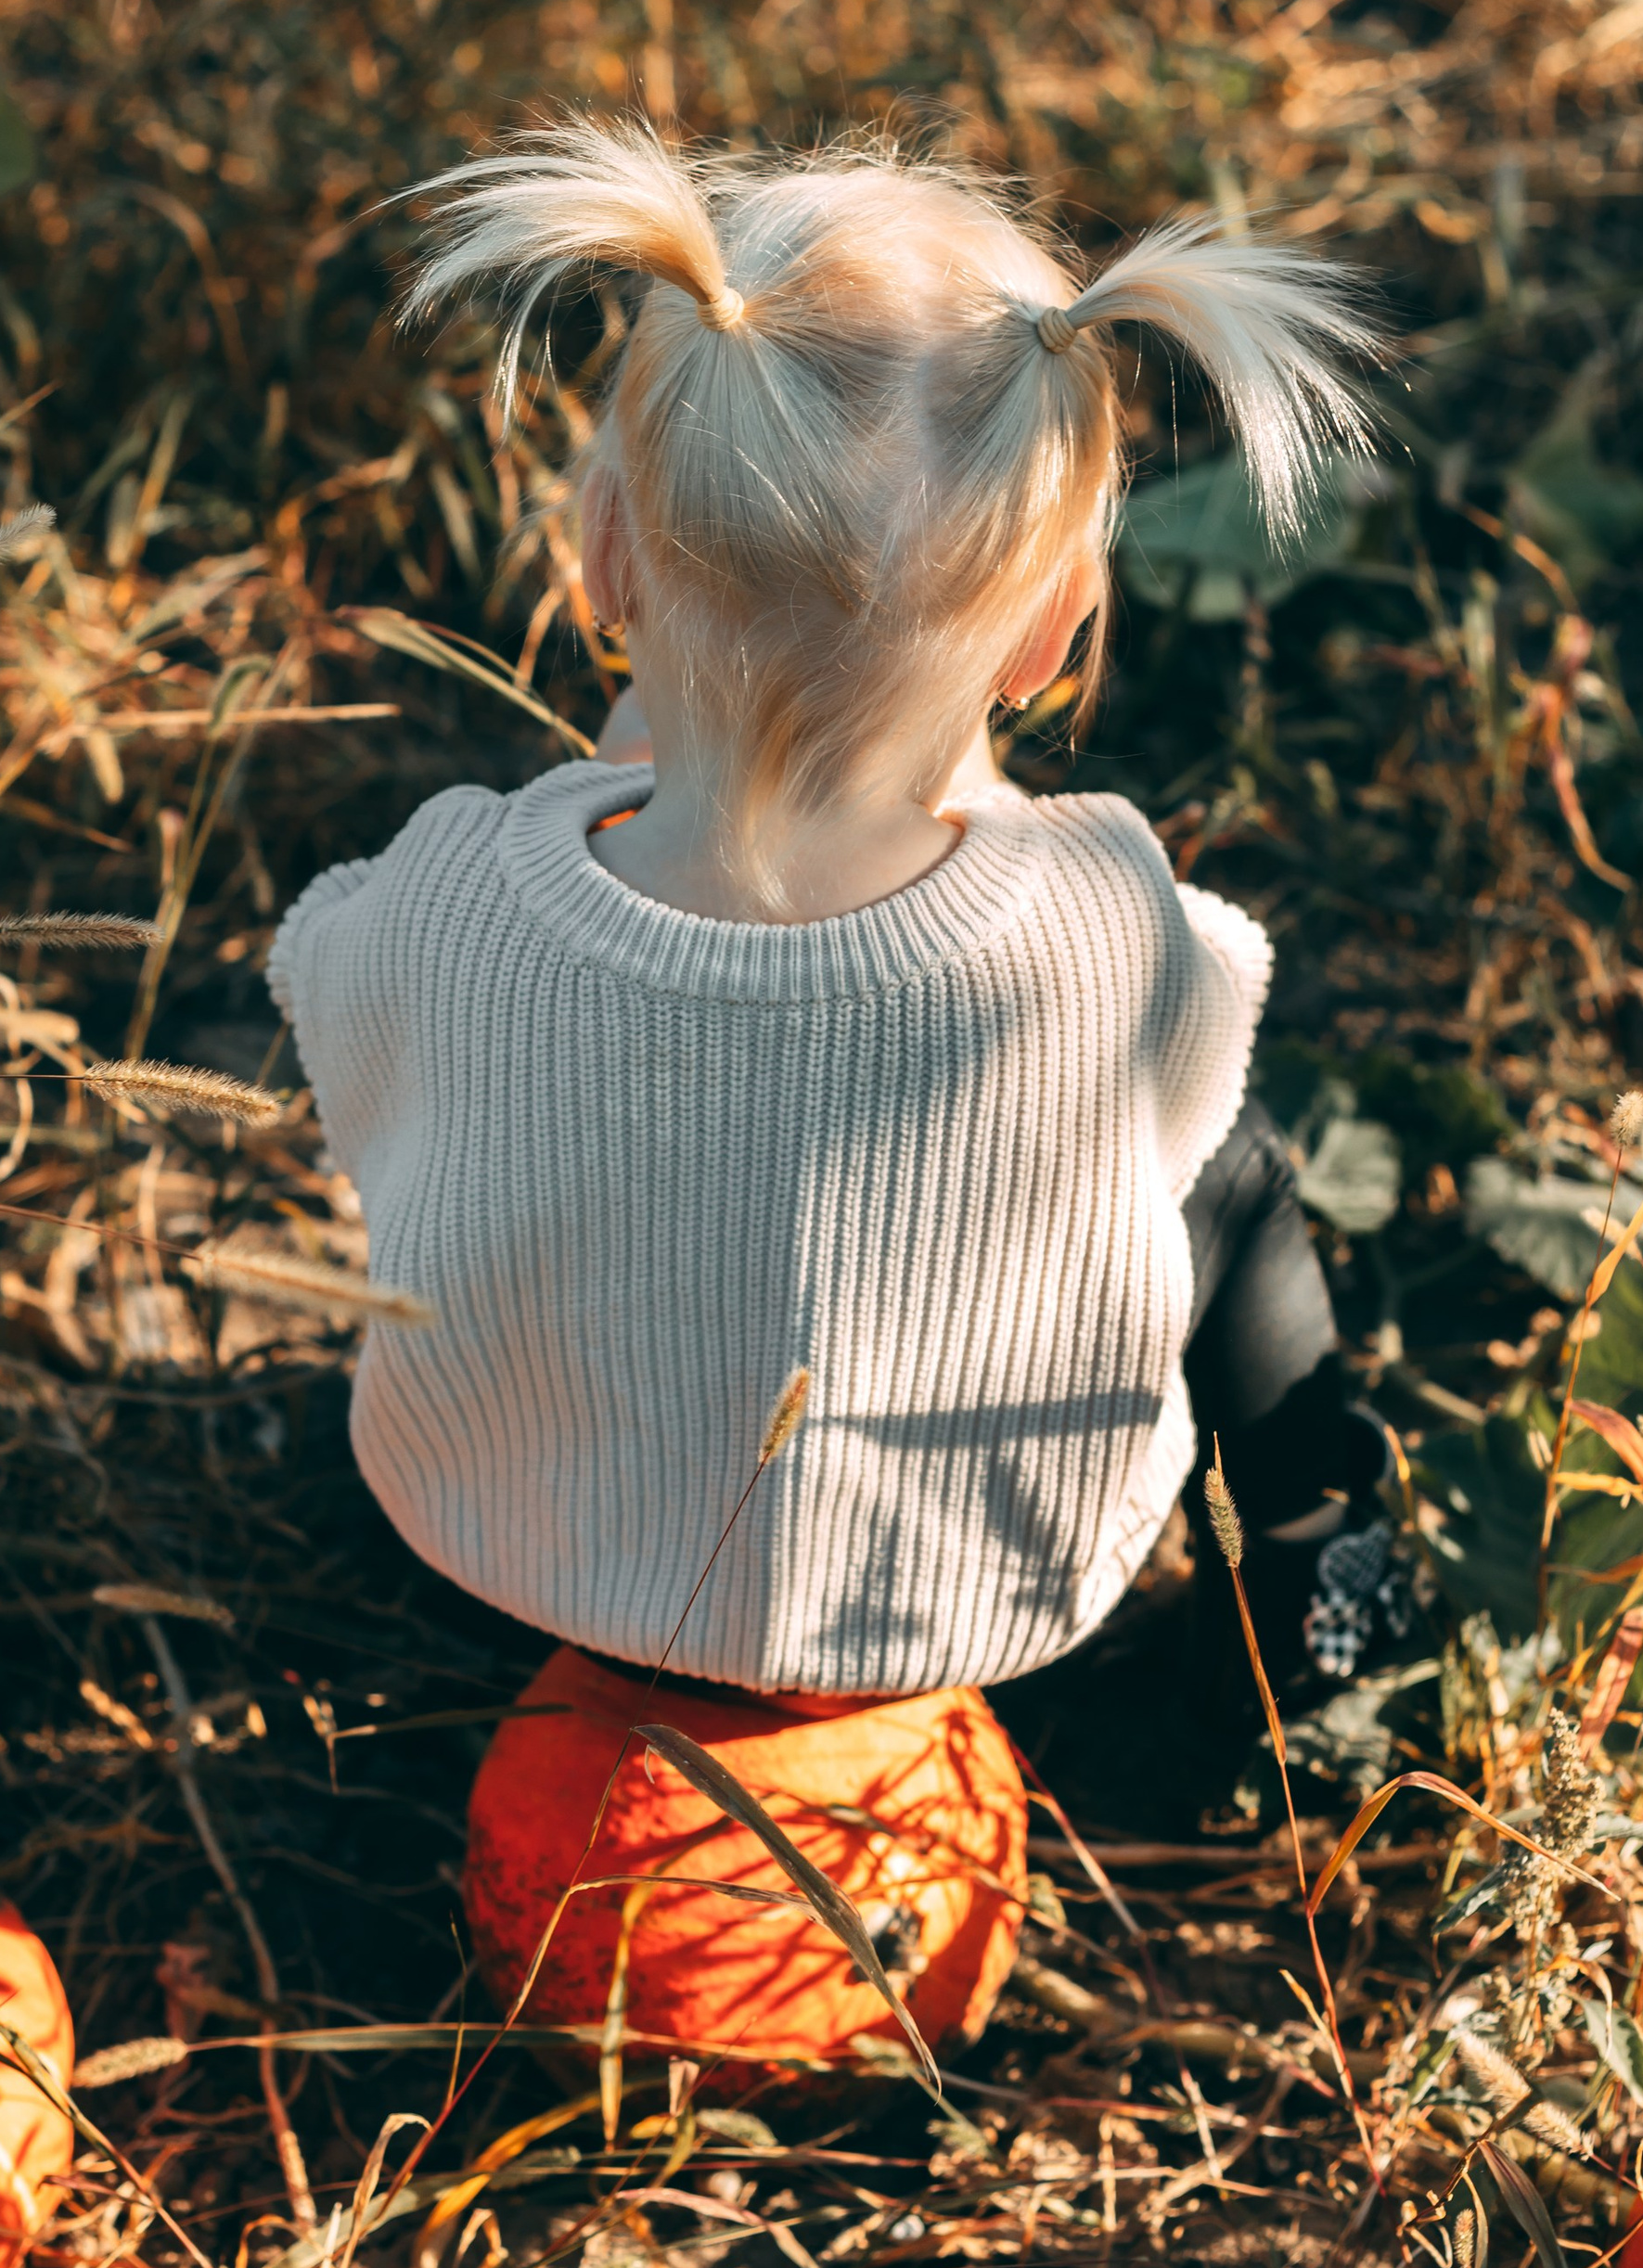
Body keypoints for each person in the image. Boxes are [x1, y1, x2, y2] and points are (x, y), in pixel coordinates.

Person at [267, 122, 1408, 1826]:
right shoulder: (1093, 910)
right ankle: (1319, 1575)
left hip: (507, 1553)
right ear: (1048, 632)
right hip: (967, 1607)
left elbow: (329, 1002)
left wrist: (605, 809)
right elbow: (1197, 1056)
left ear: (605, 561)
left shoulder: (456, 891)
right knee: (1233, 1180)